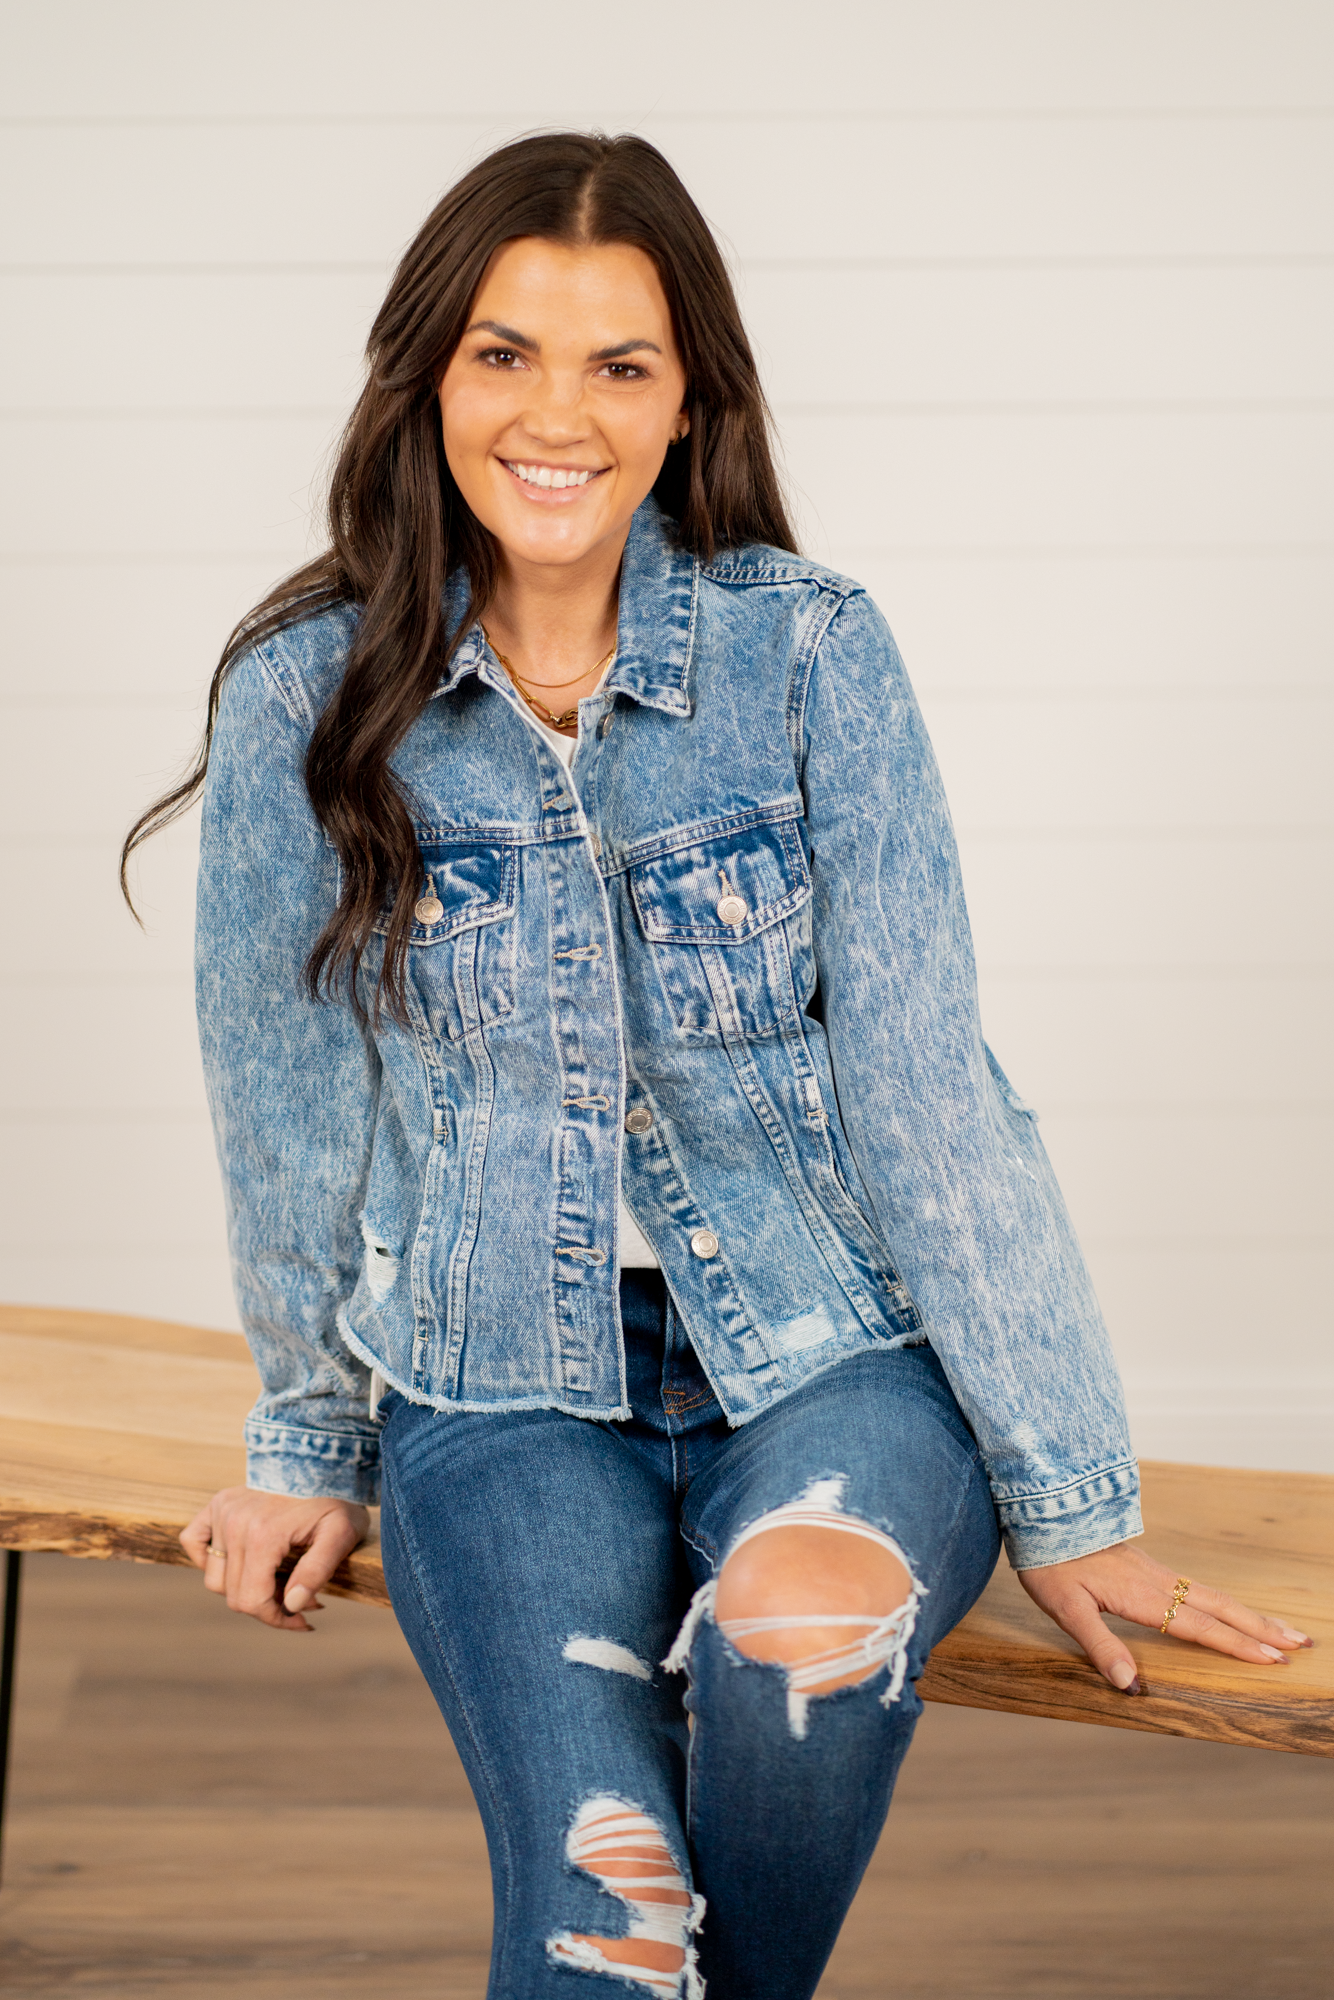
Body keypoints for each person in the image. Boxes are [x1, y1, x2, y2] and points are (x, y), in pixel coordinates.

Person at [123, 132, 1309, 2000]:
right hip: (495, 1384)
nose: (557, 416)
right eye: (504, 354)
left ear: (688, 404)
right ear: (428, 378)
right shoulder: (303, 692)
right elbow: (287, 1101)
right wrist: (308, 1438)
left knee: (793, 1637)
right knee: (607, 1915)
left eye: (620, 365)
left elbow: (927, 1088)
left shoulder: (809, 655)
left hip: (834, 1360)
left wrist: (1072, 1496)